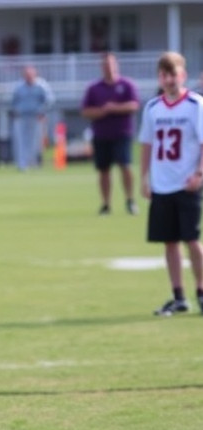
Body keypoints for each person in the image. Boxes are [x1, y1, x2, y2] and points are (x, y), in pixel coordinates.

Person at [138, 51, 203, 316]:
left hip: (186, 183)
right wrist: (144, 176)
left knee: (192, 239)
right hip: (162, 183)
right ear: (159, 78)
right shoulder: (153, 107)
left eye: (173, 74)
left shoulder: (196, 105)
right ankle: (178, 296)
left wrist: (199, 173)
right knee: (169, 241)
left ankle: (201, 290)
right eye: (164, 75)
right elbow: (146, 143)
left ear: (182, 75)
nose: (169, 80)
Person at [81, 52, 140, 216]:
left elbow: (134, 105)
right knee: (103, 170)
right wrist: (101, 111)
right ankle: (106, 204)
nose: (109, 67)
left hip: (122, 133)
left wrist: (114, 108)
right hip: (101, 134)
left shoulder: (126, 85)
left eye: (111, 64)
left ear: (116, 65)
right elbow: (85, 111)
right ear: (102, 67)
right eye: (106, 64)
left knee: (125, 166)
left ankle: (130, 200)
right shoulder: (94, 88)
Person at [11, 65, 55, 171]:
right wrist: (15, 111)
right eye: (26, 75)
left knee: (35, 141)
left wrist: (43, 112)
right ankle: (22, 164)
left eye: (30, 74)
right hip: (22, 117)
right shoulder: (19, 86)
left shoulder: (41, 85)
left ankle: (33, 162)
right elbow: (13, 101)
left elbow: (49, 100)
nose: (28, 77)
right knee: (21, 141)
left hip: (36, 117)